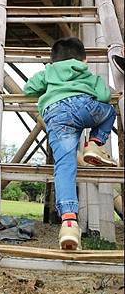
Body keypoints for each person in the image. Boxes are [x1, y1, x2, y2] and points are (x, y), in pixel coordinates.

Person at [23, 37, 117, 251]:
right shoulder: (87, 73)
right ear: (85, 59)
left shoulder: (49, 71)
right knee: (109, 112)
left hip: (56, 113)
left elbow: (29, 88)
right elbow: (104, 95)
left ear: (52, 60)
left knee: (65, 167)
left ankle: (68, 223)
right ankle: (94, 143)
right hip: (85, 107)